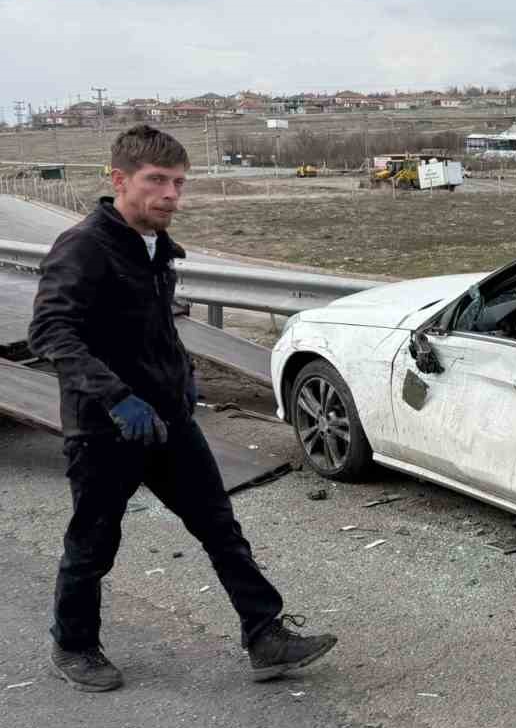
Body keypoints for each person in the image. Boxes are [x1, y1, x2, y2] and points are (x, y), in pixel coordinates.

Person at [28, 125, 337, 692]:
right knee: (93, 542)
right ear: (120, 180)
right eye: (156, 180)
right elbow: (51, 331)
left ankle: (264, 635)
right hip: (106, 426)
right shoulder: (84, 246)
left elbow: (154, 328)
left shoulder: (154, 246)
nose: (170, 194)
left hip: (169, 421)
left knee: (220, 527)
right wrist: (117, 396)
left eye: (178, 183)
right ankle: (73, 645)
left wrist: (182, 376)